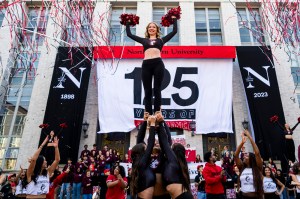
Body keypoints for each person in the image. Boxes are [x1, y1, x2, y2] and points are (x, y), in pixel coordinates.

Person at [126, 16, 178, 115]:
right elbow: (129, 34)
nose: (151, 28)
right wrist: (128, 22)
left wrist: (174, 19)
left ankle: (157, 111)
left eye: (154, 27)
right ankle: (148, 112)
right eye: (150, 27)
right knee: (147, 90)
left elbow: (174, 31)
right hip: (146, 65)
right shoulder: (144, 40)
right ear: (147, 30)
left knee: (157, 89)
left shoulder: (161, 40)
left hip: (158, 64)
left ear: (157, 30)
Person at [156, 113, 194, 199]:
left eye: (172, 148)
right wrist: (161, 124)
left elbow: (165, 142)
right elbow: (166, 142)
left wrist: (161, 124)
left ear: (174, 151)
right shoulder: (176, 163)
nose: (170, 148)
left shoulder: (174, 161)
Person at [130, 115, 156, 199]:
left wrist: (144, 121)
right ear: (142, 152)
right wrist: (152, 124)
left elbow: (139, 140)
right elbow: (151, 143)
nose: (147, 147)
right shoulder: (142, 162)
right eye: (146, 148)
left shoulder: (140, 162)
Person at [234, 130, 264, 199]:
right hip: (243, 196)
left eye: (246, 156)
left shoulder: (258, 167)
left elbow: (257, 153)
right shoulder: (242, 167)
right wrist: (242, 143)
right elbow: (236, 156)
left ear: (252, 158)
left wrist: (250, 137)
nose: (244, 156)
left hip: (256, 197)